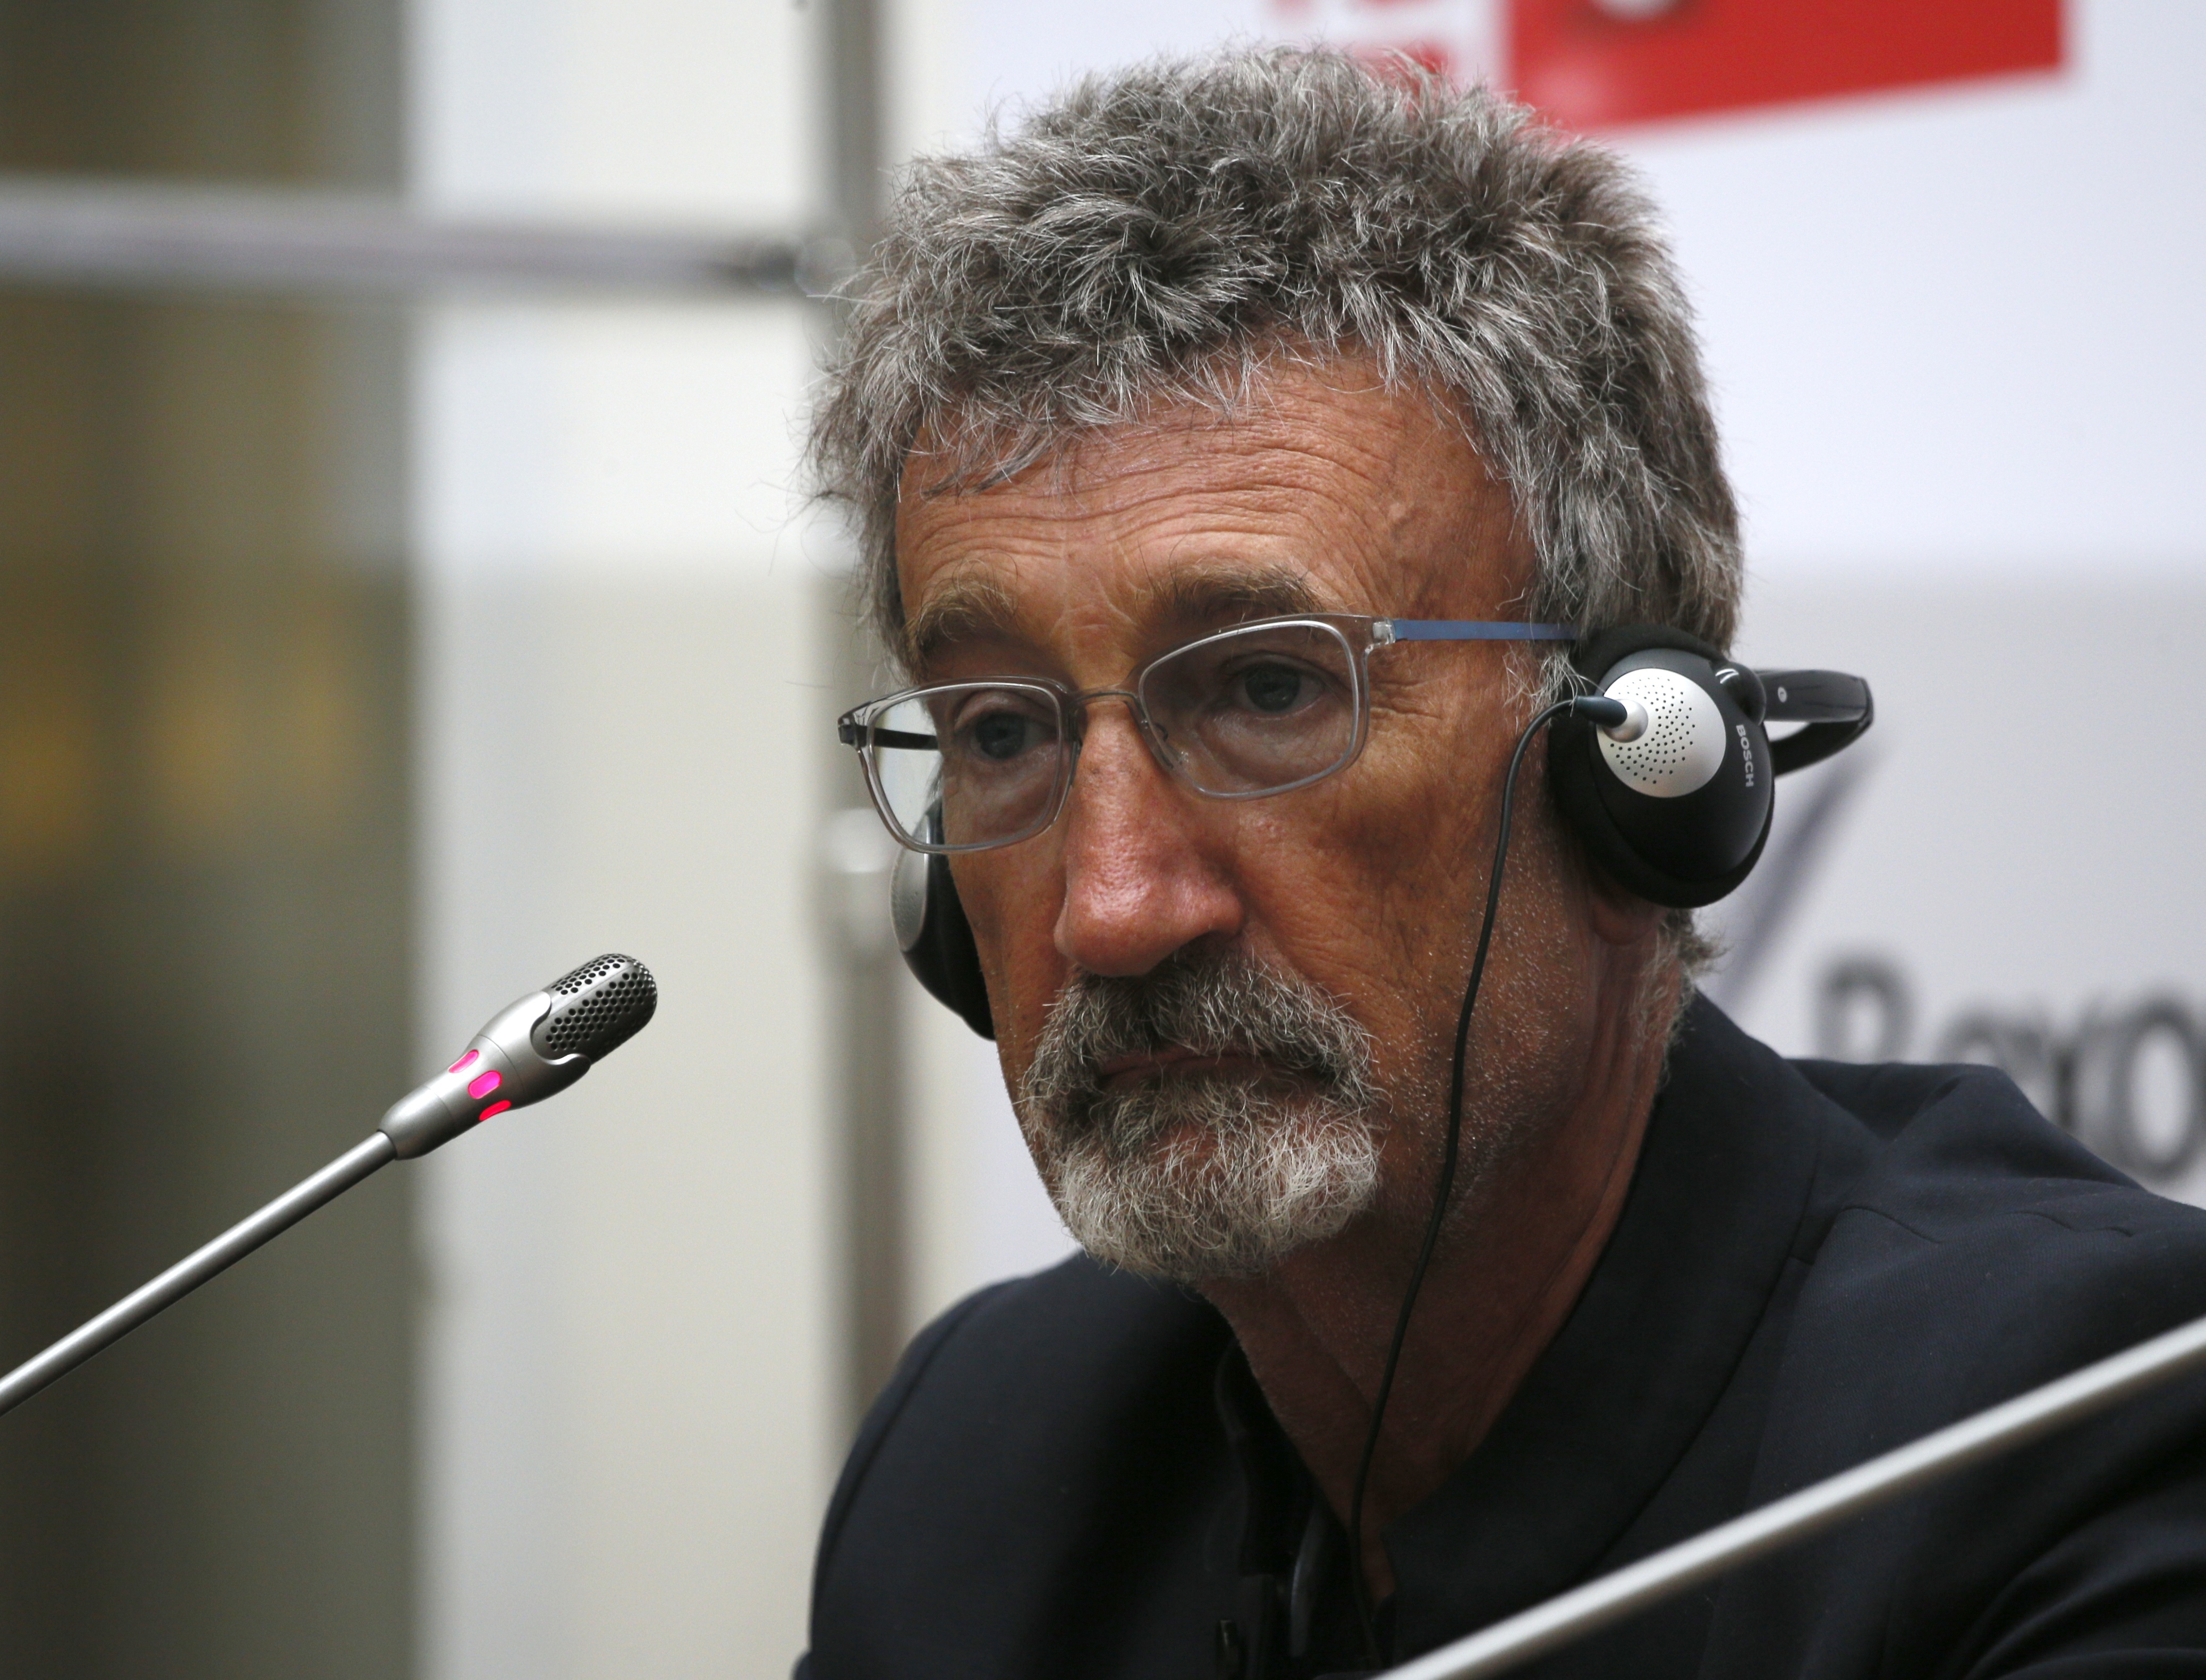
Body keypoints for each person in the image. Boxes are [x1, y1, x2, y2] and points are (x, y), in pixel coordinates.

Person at [796, 49, 2206, 1680]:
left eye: (1267, 688)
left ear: (1633, 760)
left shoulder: (2085, 1433)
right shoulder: (980, 1467)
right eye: (999, 730)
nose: (1110, 907)